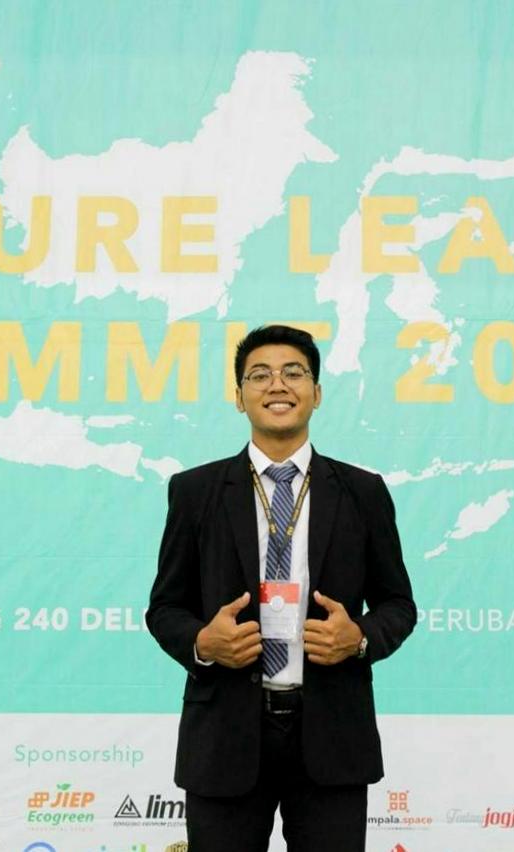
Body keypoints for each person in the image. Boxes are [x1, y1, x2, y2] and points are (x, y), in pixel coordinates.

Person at [146, 324, 417, 852]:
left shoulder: (362, 492)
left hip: (332, 734)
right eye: (260, 375)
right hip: (225, 734)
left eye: (294, 373)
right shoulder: (195, 491)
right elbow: (165, 608)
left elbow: (398, 604)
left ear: (316, 392)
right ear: (239, 396)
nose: (278, 384)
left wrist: (359, 638)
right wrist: (203, 643)